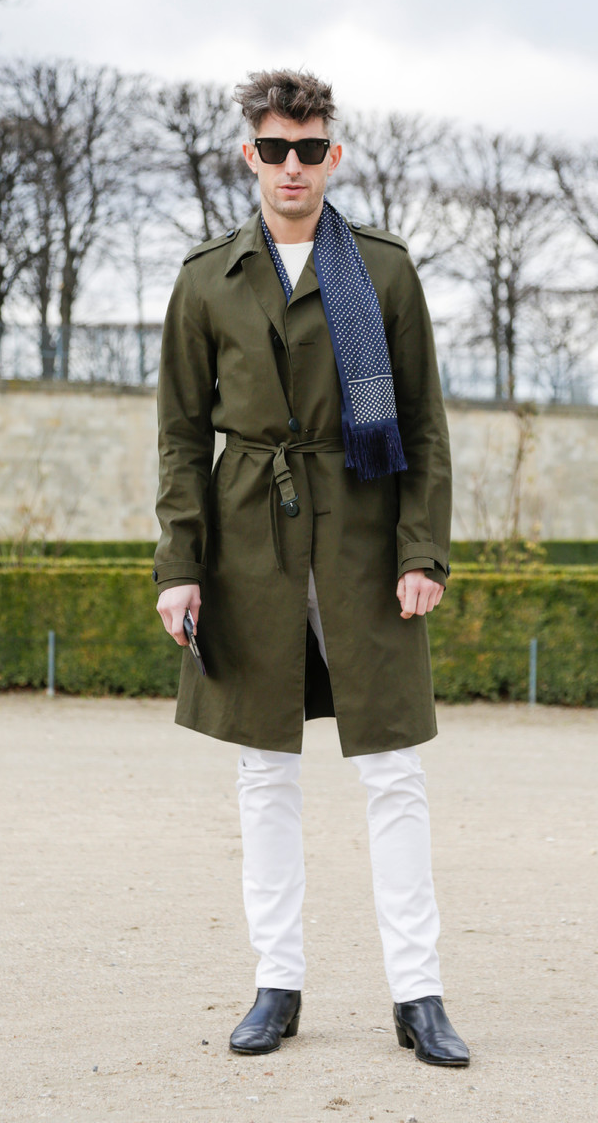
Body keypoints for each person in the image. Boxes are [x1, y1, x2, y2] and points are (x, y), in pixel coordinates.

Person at [153, 69, 468, 1067]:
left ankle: (417, 994)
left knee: (392, 767)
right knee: (264, 769)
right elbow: (179, 437)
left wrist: (421, 550)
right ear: (249, 154)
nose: (293, 166)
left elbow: (422, 423)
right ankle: (276, 984)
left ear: (333, 154)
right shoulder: (207, 278)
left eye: (310, 148)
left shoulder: (384, 270)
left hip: (365, 534)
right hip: (248, 535)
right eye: (275, 148)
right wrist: (179, 564)